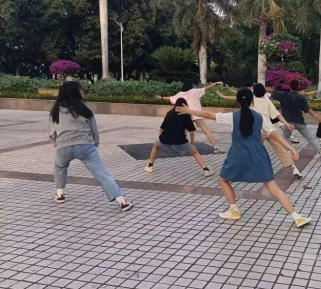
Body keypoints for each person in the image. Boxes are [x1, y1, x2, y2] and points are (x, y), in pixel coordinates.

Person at [176, 88, 312, 228]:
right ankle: (297, 217)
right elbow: (275, 135)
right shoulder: (260, 117)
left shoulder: (232, 116)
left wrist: (189, 111)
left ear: (237, 101)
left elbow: (208, 114)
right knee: (274, 188)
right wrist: (290, 148)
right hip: (257, 155)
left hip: (238, 154)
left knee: (223, 179)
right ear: (252, 101)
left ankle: (234, 210)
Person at [49, 82, 133, 211]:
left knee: (60, 167)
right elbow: (94, 129)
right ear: (76, 92)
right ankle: (122, 201)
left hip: (63, 146)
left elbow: (52, 132)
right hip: (85, 145)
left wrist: (58, 143)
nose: (82, 91)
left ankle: (59, 195)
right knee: (101, 173)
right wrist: (95, 143)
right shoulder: (84, 108)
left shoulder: (55, 110)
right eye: (80, 89)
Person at [144, 98, 214, 177]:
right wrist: (192, 144)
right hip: (180, 140)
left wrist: (160, 138)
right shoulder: (186, 115)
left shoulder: (170, 113)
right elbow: (191, 132)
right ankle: (206, 170)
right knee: (194, 152)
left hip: (165, 138)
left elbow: (162, 127)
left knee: (156, 145)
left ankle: (150, 165)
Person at [271, 79, 321, 162]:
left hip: (289, 122)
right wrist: (317, 117)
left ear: (289, 87)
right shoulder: (301, 97)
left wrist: (259, 87)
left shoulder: (283, 95)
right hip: (300, 122)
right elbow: (308, 109)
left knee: (286, 136)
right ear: (298, 87)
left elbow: (272, 91)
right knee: (311, 138)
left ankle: (290, 153)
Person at [252, 83, 305, 179]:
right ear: (264, 92)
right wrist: (287, 124)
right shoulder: (267, 102)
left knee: (252, 149)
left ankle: (252, 169)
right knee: (281, 149)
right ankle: (294, 169)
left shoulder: (252, 102)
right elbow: (278, 115)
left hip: (258, 131)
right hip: (270, 131)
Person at [156, 79, 223, 153]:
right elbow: (206, 88)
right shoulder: (195, 91)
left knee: (184, 132)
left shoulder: (180, 94)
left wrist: (161, 97)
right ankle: (216, 147)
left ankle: (187, 147)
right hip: (197, 114)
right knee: (207, 132)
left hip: (186, 115)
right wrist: (215, 83)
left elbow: (171, 98)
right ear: (191, 85)